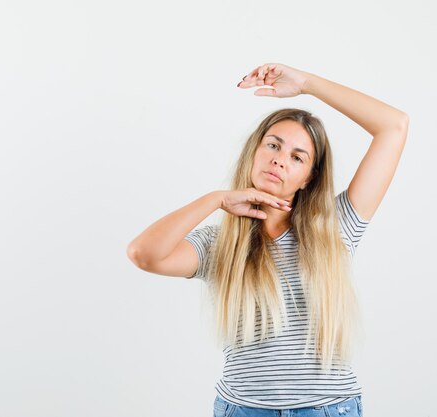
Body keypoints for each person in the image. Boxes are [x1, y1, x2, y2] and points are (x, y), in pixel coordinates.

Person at [127, 63, 409, 416]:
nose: (279, 160)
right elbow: (143, 254)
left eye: (296, 157)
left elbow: (393, 126)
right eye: (273, 145)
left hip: (327, 408)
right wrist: (216, 199)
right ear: (254, 152)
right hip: (244, 409)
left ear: (309, 176)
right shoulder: (220, 245)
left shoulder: (336, 227)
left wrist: (307, 84)